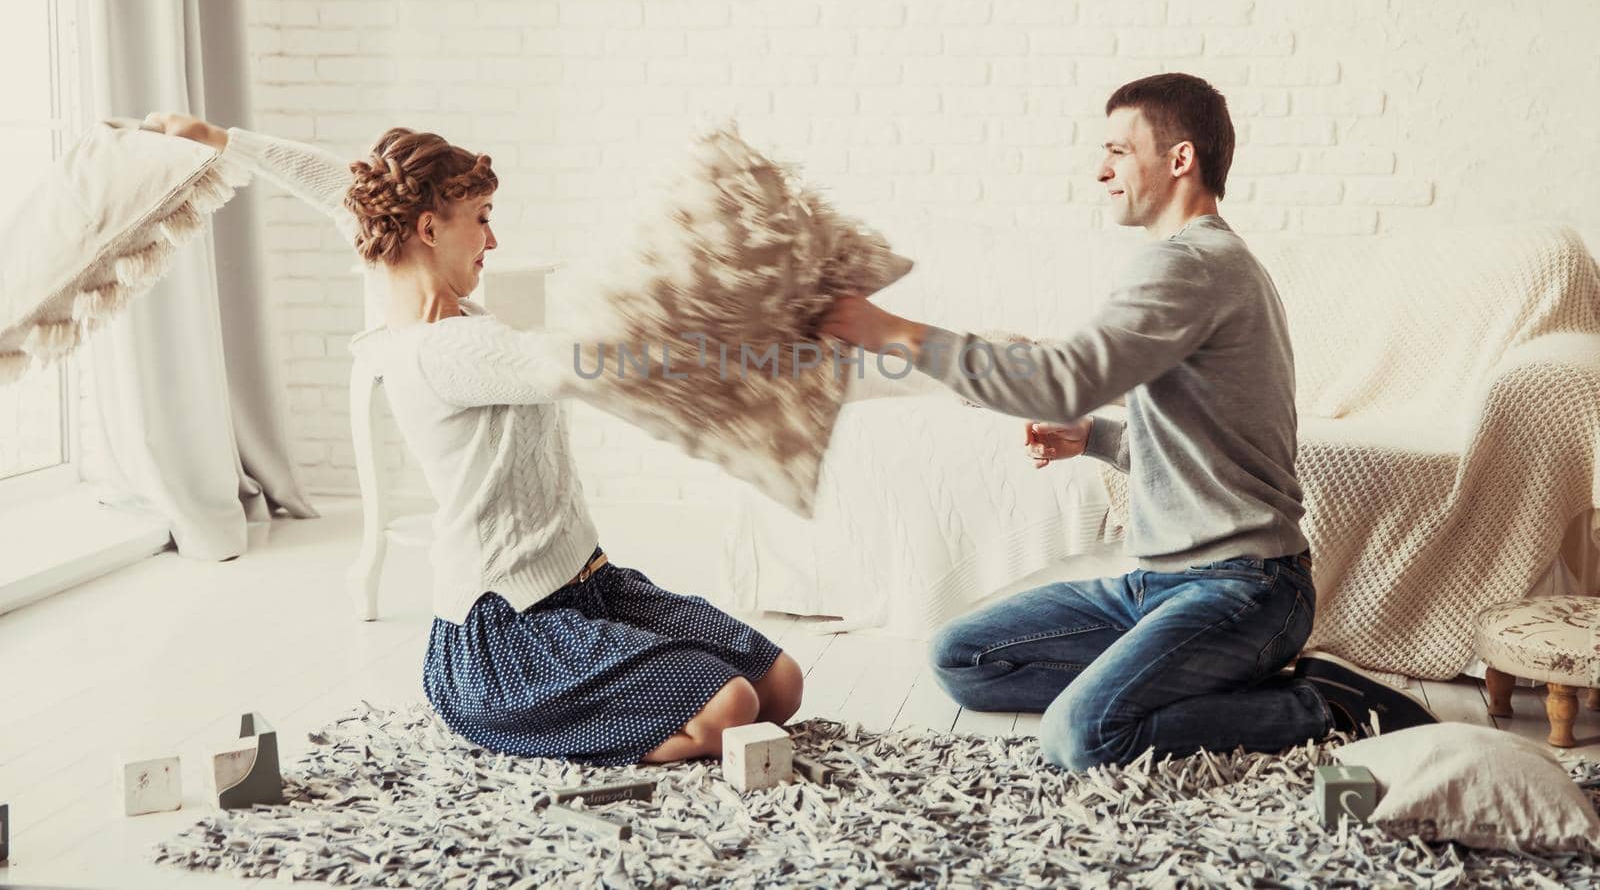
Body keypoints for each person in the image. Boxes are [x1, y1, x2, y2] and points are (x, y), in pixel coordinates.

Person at [143, 112, 804, 766]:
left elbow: (333, 186)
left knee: (780, 683)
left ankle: (628, 705)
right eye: (482, 217)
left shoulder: (403, 278)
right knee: (732, 706)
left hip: (591, 586)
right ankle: (540, 732)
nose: (493, 240)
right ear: (429, 229)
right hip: (506, 638)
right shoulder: (448, 351)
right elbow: (579, 363)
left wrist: (221, 142)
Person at [821, 73, 1434, 772]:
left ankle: (1322, 705)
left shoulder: (1191, 266)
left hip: (1244, 589)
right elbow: (1218, 445)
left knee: (1082, 736)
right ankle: (1199, 681)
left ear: (1180, 159)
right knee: (961, 657)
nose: (1100, 168)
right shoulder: (1211, 264)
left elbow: (1060, 381)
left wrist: (889, 329)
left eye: (1118, 148)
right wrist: (1096, 437)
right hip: (1157, 583)